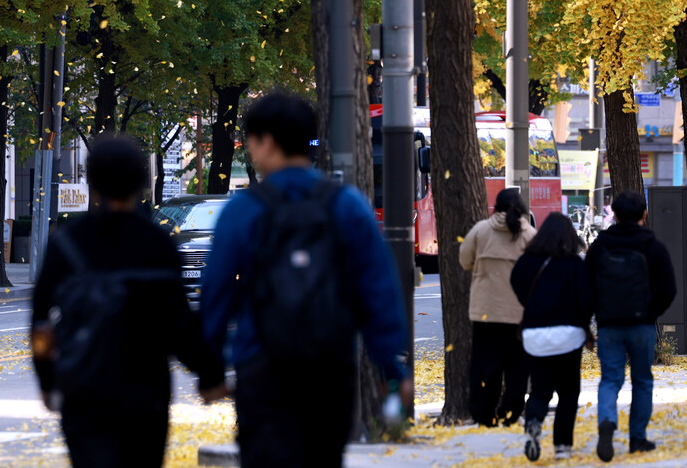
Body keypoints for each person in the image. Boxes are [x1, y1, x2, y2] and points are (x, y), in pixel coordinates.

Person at [201, 93, 411, 468]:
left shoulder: (243, 210)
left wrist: (211, 371)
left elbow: (216, 293)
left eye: (250, 142)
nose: (250, 151)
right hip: (330, 369)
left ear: (267, 142)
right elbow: (378, 292)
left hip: (261, 369)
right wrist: (392, 371)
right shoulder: (347, 205)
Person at [31, 136, 225, 468]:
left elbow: (40, 321)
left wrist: (47, 381)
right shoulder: (158, 244)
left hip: (84, 391)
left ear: (92, 182)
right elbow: (179, 323)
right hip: (144, 391)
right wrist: (210, 375)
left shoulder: (67, 243)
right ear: (140, 183)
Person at [586, 191, 676, 462]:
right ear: (644, 214)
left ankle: (607, 420)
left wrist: (590, 320)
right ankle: (637, 438)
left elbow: (585, 287)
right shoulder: (653, 246)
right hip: (641, 325)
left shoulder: (600, 246)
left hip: (609, 325)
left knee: (610, 379)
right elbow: (668, 289)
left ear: (613, 214)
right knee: (642, 380)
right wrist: (650, 312)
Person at [511, 213, 592, 462]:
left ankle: (533, 422)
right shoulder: (575, 264)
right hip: (569, 335)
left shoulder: (526, 262)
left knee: (539, 389)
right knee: (568, 391)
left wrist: (531, 306)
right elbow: (586, 300)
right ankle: (562, 445)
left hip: (536, 335)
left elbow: (516, 284)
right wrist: (586, 329)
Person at [460, 188, 535, 427]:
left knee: (485, 366)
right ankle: (510, 412)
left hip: (486, 312)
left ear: (496, 207)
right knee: (517, 367)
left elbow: (465, 260)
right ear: (521, 209)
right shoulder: (529, 234)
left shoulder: (480, 230)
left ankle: (484, 415)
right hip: (518, 313)